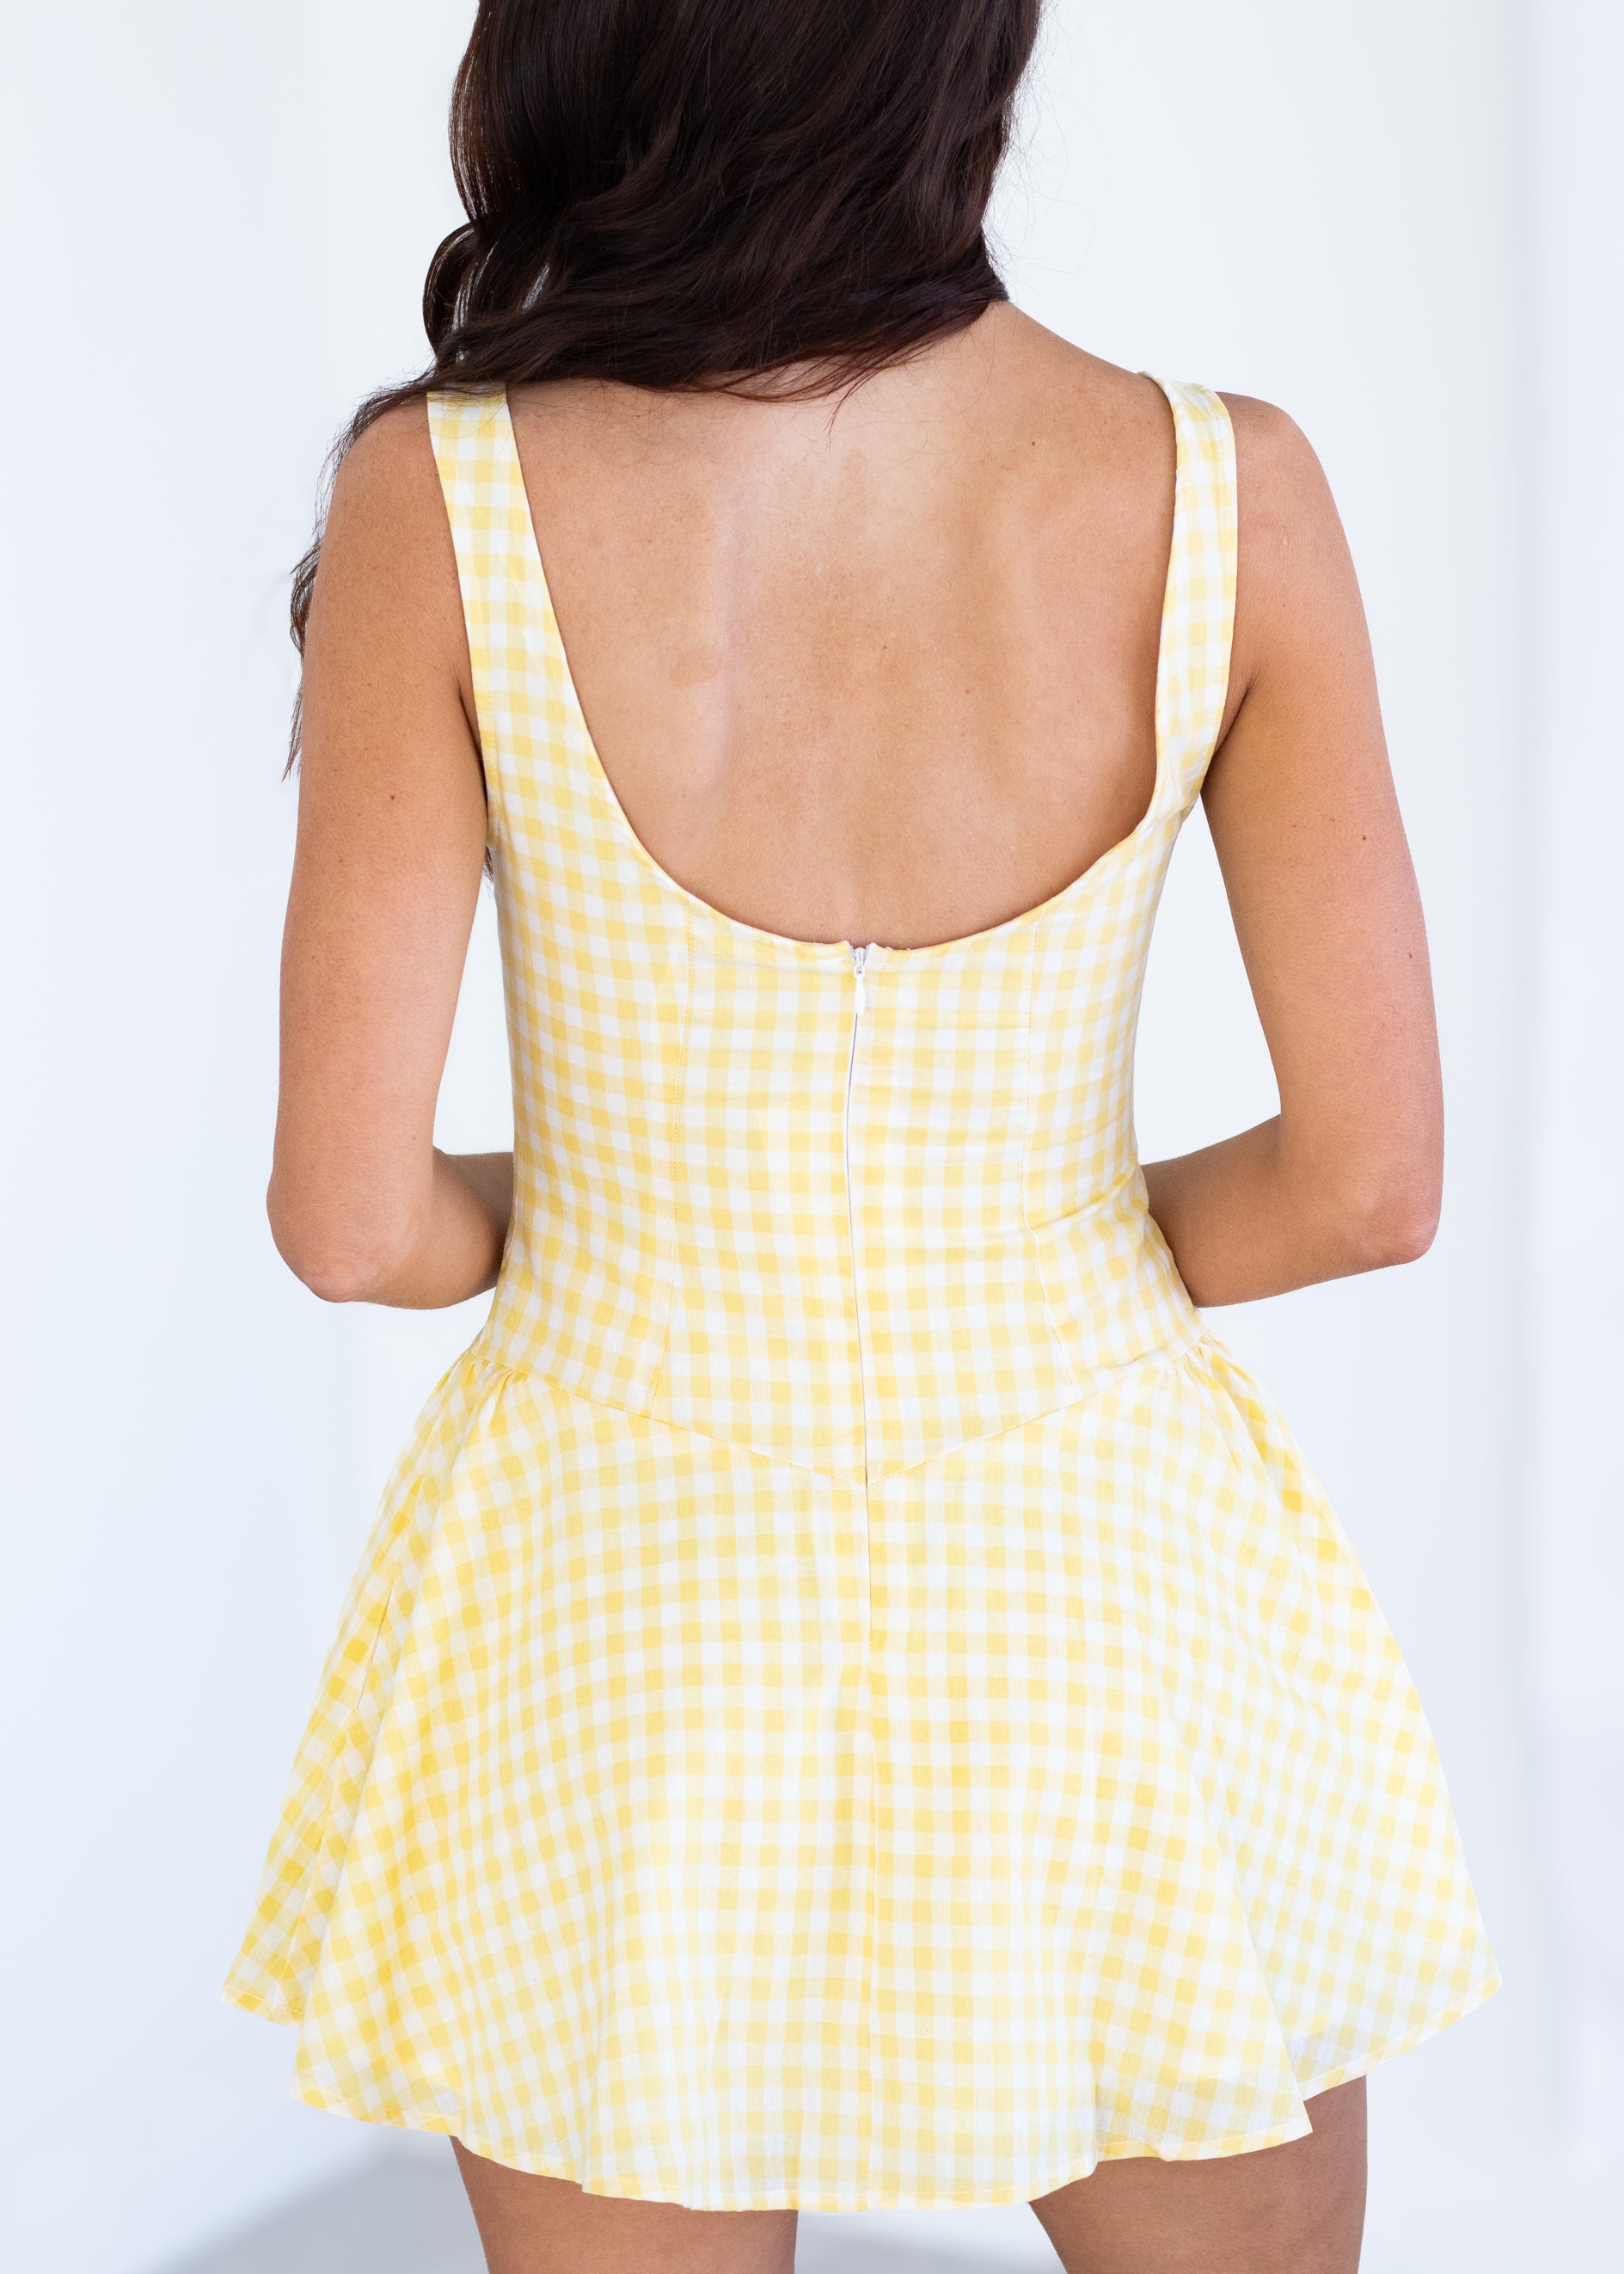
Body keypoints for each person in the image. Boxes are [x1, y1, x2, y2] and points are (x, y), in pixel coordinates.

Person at [224, 3, 1498, 2267]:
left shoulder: (447, 497)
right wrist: (1005, 1263)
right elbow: (1363, 1183)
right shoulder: (1223, 489)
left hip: (608, 1571)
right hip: (1098, 1560)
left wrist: (643, 1220)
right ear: (957, 63)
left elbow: (352, 1221)